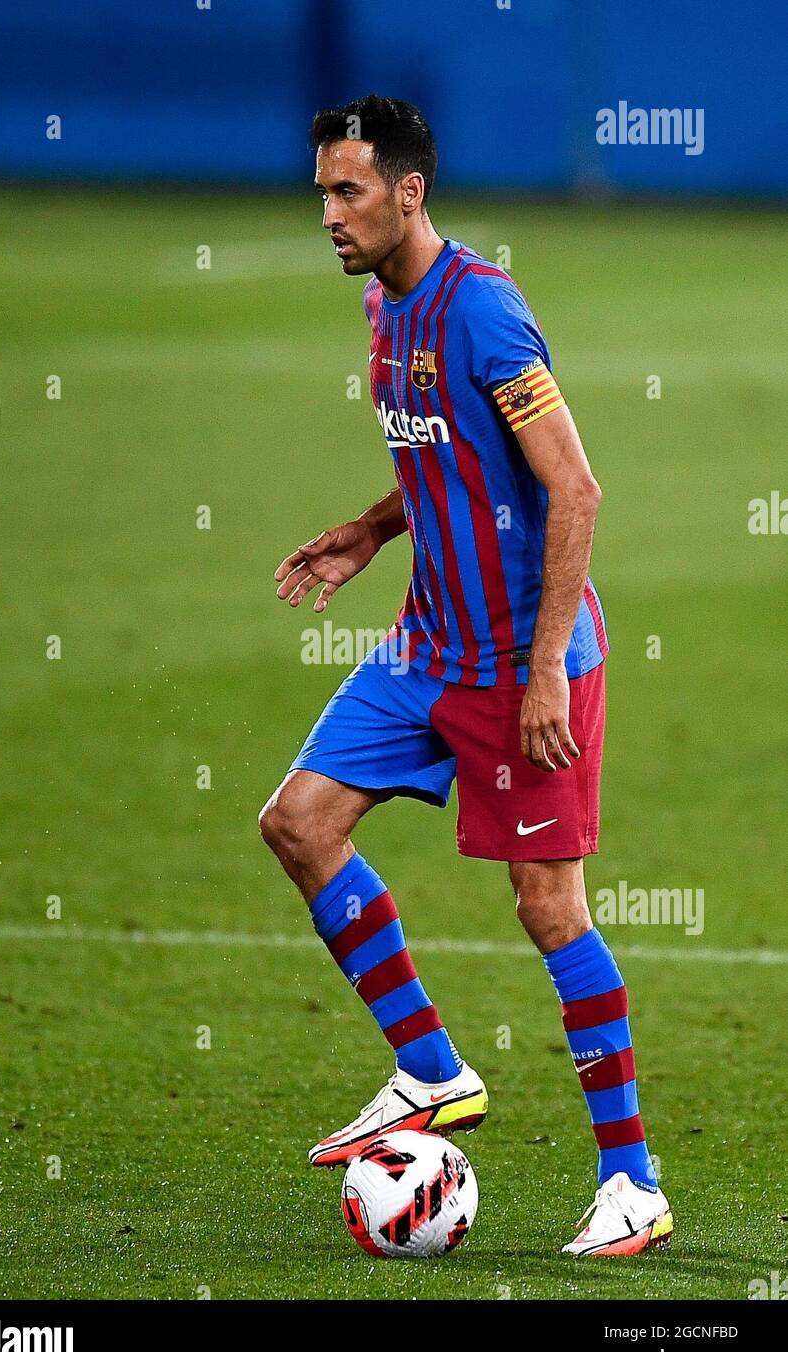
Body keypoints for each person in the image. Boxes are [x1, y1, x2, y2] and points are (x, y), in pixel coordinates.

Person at [260, 95, 671, 1256]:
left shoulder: (484, 311)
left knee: (549, 911)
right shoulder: (382, 311)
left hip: (518, 666)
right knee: (296, 822)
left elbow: (571, 487)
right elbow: (451, 461)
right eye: (321, 194)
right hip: (425, 647)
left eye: (347, 192)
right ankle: (430, 1069)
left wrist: (543, 670)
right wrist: (369, 530)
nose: (329, 215)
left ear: (406, 192)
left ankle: (630, 1180)